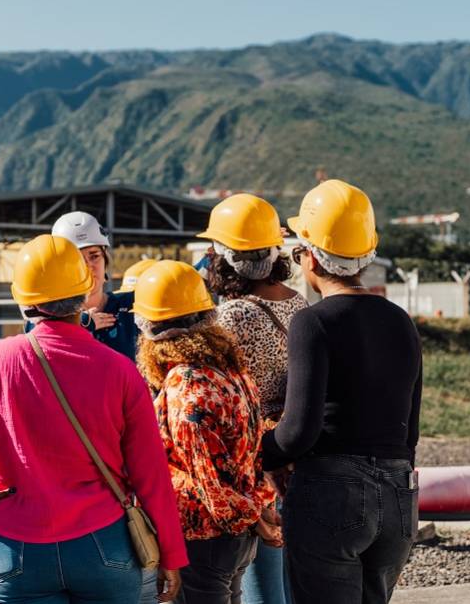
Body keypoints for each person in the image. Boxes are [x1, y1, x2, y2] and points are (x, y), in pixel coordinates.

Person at [0, 234, 187, 604]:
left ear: (23, 300)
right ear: (85, 291)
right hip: (105, 543)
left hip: (16, 548)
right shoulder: (120, 369)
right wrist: (170, 553)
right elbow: (150, 472)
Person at [261, 180, 423, 604]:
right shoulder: (401, 321)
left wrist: (250, 454)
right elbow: (410, 431)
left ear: (311, 256)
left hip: (332, 493)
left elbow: (299, 431)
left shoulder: (313, 323)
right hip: (399, 493)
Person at [134, 260, 281, 604]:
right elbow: (253, 448)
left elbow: (209, 482)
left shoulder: (186, 385)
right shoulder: (231, 371)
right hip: (237, 536)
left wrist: (257, 520)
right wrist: (259, 511)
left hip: (206, 537)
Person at [199, 193, 305, 604]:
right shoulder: (297, 303)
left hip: (253, 459)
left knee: (262, 581)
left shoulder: (232, 316)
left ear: (224, 257)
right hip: (294, 450)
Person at [52, 210, 141, 360]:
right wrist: (76, 325)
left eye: (94, 256)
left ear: (105, 259)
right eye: (78, 259)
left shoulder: (132, 305)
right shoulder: (49, 319)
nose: (88, 266)